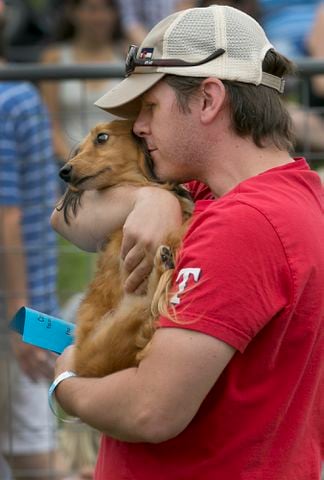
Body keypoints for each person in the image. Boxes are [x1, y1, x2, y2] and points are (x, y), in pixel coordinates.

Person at [50, 5, 324, 479]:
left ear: (207, 100)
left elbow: (150, 410)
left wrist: (65, 379)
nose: (138, 126)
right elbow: (66, 218)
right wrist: (149, 201)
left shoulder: (245, 224)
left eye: (150, 107)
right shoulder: (245, 194)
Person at [0, 2, 63, 478]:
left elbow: (10, 215)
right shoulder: (20, 98)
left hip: (21, 309)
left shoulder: (16, 100)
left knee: (30, 445)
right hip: (28, 307)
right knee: (32, 448)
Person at [40, 0, 124, 166]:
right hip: (66, 164)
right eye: (92, 9)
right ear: (73, 13)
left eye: (107, 8)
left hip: (117, 166)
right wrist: (73, 165)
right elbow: (49, 123)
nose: (100, 17)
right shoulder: (53, 58)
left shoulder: (127, 54)